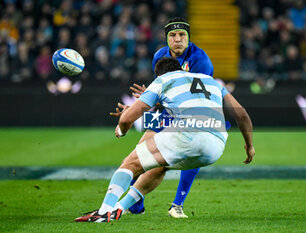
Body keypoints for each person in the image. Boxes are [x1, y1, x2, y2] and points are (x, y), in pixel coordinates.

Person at [75, 57, 255, 222]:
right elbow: (242, 114)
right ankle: (119, 209)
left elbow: (126, 119)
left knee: (130, 163)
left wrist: (122, 129)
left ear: (158, 73)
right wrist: (249, 146)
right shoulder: (211, 81)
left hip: (188, 135)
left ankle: (104, 212)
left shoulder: (163, 80)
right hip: (216, 146)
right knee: (160, 166)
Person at [125, 17, 214, 218]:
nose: (177, 39)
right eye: (172, 35)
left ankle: (177, 204)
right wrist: (149, 98)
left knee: (193, 153)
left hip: (195, 112)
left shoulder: (201, 61)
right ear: (166, 39)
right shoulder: (159, 56)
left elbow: (195, 100)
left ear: (189, 38)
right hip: (167, 111)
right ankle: (136, 202)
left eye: (182, 35)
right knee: (139, 155)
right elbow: (165, 90)